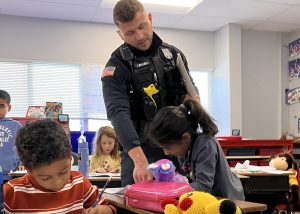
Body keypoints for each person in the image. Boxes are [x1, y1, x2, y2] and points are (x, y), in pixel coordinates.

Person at [101, 0, 198, 186]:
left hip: (176, 149)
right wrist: (139, 160)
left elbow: (189, 94)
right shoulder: (115, 67)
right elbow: (117, 113)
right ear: (120, 33)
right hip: (138, 151)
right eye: (130, 32)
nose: (139, 36)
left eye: (142, 26)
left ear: (150, 18)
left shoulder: (173, 55)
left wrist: (192, 102)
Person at [4, 119, 116, 214]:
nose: (57, 183)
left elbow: (109, 208)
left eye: (64, 172)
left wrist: (99, 210)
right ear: (29, 170)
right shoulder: (11, 193)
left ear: (70, 158)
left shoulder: (79, 183)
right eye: (45, 178)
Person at [145, 99, 245, 200]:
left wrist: (171, 188)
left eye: (168, 148)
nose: (166, 153)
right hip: (211, 198)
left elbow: (203, 187)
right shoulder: (185, 149)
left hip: (229, 201)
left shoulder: (205, 144)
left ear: (185, 138)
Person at [0, 89, 23, 180]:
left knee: (7, 194)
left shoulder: (16, 125)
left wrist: (23, 163)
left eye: (1, 106)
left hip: (10, 173)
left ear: (8, 107)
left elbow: (24, 147)